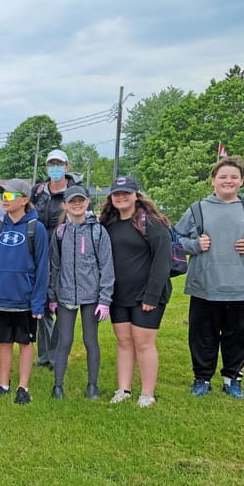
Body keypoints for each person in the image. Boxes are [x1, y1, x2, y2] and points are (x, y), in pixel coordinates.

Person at [174, 156, 244, 399]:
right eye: (223, 176)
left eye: (234, 177)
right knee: (202, 336)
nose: (228, 181)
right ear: (213, 180)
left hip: (240, 286)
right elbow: (175, 239)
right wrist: (194, 244)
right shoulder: (197, 209)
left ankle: (232, 378)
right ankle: (202, 378)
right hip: (205, 285)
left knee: (238, 336)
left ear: (241, 181)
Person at [98, 176, 172, 408]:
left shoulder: (150, 222)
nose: (121, 197)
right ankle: (124, 389)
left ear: (136, 195)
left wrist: (152, 294)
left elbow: (162, 261)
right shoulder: (108, 224)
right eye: (117, 193)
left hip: (146, 296)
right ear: (111, 197)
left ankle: (147, 393)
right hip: (119, 295)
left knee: (143, 343)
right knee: (124, 341)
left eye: (126, 193)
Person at [0, 179, 49, 404]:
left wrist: (38, 302)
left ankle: (23, 387)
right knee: (4, 342)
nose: (5, 200)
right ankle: (3, 384)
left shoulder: (35, 228)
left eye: (10, 196)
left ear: (25, 200)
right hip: (0, 298)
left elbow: (42, 268)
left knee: (26, 343)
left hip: (25, 300)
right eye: (3, 196)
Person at [47, 186, 115, 400]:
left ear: (87, 203)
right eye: (72, 201)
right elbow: (54, 267)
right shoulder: (60, 233)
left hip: (92, 297)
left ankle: (92, 386)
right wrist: (52, 296)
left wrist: (104, 299)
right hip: (65, 295)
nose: (77, 205)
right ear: (65, 205)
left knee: (90, 340)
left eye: (81, 201)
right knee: (64, 341)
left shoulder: (98, 231)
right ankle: (58, 386)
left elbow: (106, 266)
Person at [31, 149, 81, 369]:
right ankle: (44, 355)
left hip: (66, 253)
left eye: (59, 163)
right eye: (51, 164)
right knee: (41, 306)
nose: (55, 167)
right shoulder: (38, 191)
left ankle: (57, 355)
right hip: (40, 252)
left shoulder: (75, 191)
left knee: (63, 306)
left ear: (67, 167)